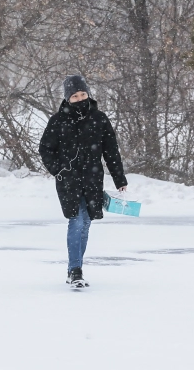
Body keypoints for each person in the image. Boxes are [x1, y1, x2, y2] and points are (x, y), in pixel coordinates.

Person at [38, 75, 128, 287]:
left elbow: (111, 151)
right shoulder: (58, 121)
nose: (80, 99)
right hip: (68, 179)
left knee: (86, 223)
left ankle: (75, 268)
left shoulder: (100, 119)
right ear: (68, 99)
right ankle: (75, 270)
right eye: (75, 96)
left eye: (83, 94)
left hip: (93, 178)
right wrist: (58, 169)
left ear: (88, 94)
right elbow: (45, 149)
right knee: (77, 220)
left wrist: (119, 179)